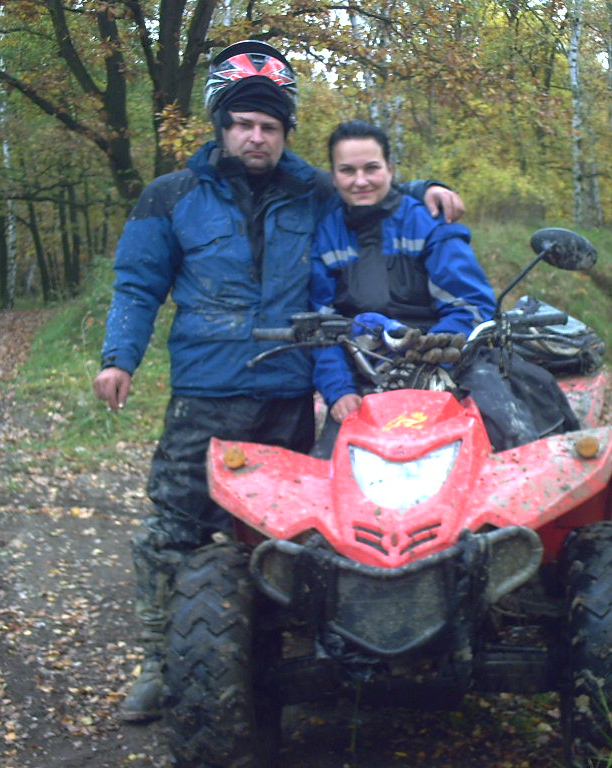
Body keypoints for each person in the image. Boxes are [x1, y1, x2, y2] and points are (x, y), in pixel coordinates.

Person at [93, 42, 466, 724]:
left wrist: (426, 188)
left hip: (288, 396)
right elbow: (137, 284)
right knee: (174, 529)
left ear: (285, 131)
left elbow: (371, 189)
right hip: (204, 393)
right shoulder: (169, 196)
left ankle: (274, 655)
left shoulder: (312, 189)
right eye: (242, 123)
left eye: (269, 125)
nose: (256, 136)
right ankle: (158, 663)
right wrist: (119, 358)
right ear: (221, 125)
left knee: (291, 536)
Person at [309, 120, 496, 456]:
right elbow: (322, 324)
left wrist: (424, 366)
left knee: (505, 430)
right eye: (348, 171)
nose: (360, 180)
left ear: (390, 170)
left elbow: (470, 305)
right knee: (326, 465)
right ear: (333, 177)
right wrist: (338, 390)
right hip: (362, 371)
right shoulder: (325, 233)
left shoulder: (429, 221)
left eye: (371, 168)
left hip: (445, 365)